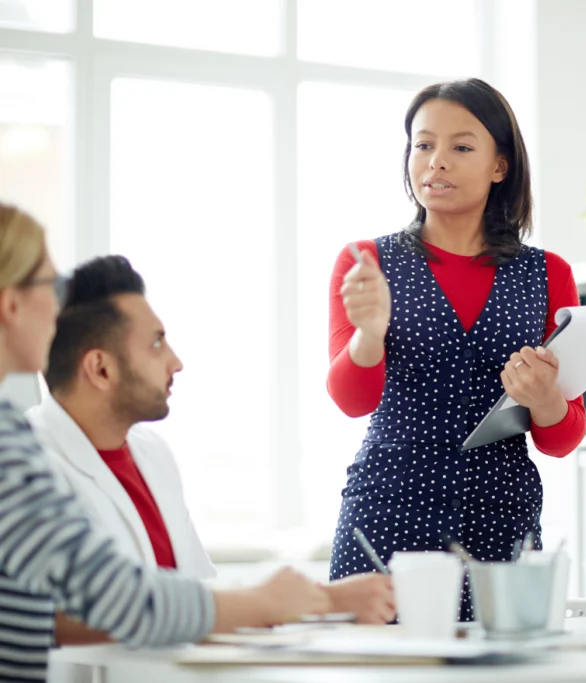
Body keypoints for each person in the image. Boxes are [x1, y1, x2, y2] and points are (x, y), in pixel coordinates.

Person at [0, 203, 338, 682]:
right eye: (47, 287)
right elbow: (114, 599)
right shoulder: (17, 448)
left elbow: (189, 589)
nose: (57, 307)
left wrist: (303, 603)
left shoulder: (147, 453)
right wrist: (265, 602)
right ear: (12, 304)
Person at [25, 255, 394, 648]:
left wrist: (320, 600)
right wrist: (316, 601)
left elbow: (200, 594)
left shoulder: (152, 455)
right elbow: (84, 610)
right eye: (156, 342)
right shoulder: (27, 463)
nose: (176, 361)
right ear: (100, 369)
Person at [326, 78, 586, 618]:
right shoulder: (365, 264)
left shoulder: (548, 274)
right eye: (423, 145)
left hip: (500, 521)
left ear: (500, 165)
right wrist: (371, 334)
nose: (436, 162)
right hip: (387, 516)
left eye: (461, 147)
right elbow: (352, 401)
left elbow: (562, 438)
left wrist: (544, 397)